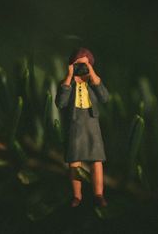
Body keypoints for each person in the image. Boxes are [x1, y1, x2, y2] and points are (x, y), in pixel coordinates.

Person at [55, 47, 110, 208]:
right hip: (75, 124)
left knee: (97, 160)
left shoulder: (93, 83)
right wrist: (68, 78)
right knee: (74, 162)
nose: (81, 68)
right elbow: (60, 103)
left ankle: (99, 194)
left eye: (85, 65)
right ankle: (77, 196)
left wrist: (92, 74)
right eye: (78, 65)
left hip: (92, 123)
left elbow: (105, 98)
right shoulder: (68, 84)